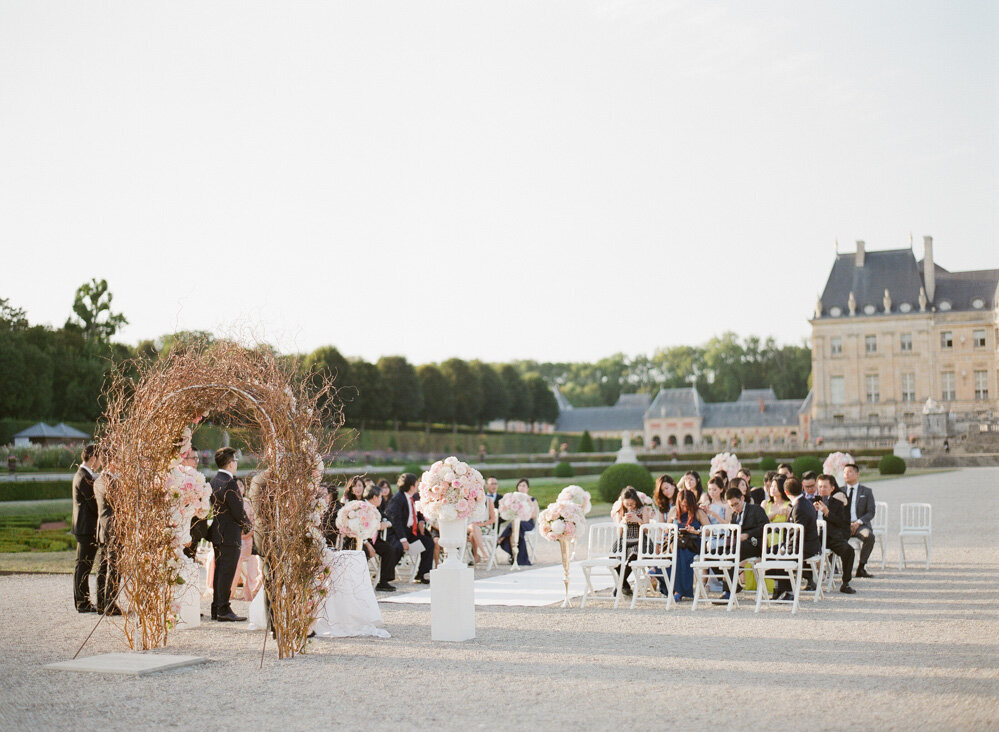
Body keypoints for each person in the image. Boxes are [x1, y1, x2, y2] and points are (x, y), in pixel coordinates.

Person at [209, 447, 252, 622]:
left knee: (220, 571)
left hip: (218, 531)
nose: (236, 464)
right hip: (230, 533)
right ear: (230, 463)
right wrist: (247, 525)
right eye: (235, 461)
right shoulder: (230, 482)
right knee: (227, 571)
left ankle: (217, 606)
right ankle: (223, 608)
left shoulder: (214, 480)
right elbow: (237, 510)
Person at [773, 477, 820, 601]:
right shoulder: (803, 502)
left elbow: (799, 534)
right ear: (802, 488)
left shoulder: (799, 507)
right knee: (768, 551)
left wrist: (784, 548)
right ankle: (781, 588)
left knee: (775, 555)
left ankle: (787, 590)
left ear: (786, 492)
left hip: (806, 546)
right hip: (800, 543)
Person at [385, 473, 433, 583]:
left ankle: (421, 574)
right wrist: (403, 540)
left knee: (428, 543)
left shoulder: (411, 498)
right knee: (398, 548)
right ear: (411, 486)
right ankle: (385, 576)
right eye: (416, 485)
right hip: (396, 534)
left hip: (410, 532)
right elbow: (396, 521)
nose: (417, 487)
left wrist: (420, 521)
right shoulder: (397, 499)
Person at [722, 487, 769, 598]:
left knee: (732, 553)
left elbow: (766, 527)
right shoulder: (734, 515)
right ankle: (732, 583)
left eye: (736, 504)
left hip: (755, 544)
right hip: (740, 545)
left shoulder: (756, 509)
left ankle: (727, 591)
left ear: (742, 498)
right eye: (731, 506)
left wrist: (748, 534)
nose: (734, 508)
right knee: (719, 552)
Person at [814, 473, 857, 594]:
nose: (822, 489)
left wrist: (827, 512)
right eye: (820, 486)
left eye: (825, 487)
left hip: (831, 537)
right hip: (814, 537)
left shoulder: (837, 503)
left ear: (832, 488)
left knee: (849, 551)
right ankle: (810, 580)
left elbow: (840, 522)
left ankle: (845, 583)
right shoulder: (810, 502)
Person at [71, 444, 101, 613]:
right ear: (92, 458)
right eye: (99, 458)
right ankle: (82, 602)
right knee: (83, 566)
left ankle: (82, 601)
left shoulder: (84, 475)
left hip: (84, 527)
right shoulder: (84, 477)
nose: (100, 462)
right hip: (86, 528)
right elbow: (93, 504)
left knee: (83, 565)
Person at [666, 489, 710, 603]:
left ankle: (678, 590)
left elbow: (709, 530)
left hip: (695, 542)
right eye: (682, 505)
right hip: (679, 541)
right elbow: (666, 529)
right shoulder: (674, 511)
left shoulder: (698, 512)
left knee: (680, 551)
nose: (684, 508)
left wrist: (696, 531)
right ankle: (676, 589)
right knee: (676, 550)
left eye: (687, 505)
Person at [611, 487, 654, 596]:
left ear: (636, 501)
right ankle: (624, 584)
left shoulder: (642, 509)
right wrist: (622, 522)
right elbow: (619, 534)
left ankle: (619, 585)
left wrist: (638, 520)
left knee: (632, 556)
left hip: (640, 539)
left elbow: (646, 529)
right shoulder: (621, 510)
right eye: (627, 504)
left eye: (632, 504)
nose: (630, 506)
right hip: (625, 539)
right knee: (614, 556)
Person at [92, 469, 122, 615]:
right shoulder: (108, 481)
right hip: (112, 529)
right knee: (113, 567)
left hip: (103, 527)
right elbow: (116, 503)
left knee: (103, 567)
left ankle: (102, 603)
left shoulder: (99, 480)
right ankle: (109, 603)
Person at [362, 486, 402, 592]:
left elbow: (388, 519)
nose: (381, 499)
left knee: (389, 549)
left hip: (374, 539)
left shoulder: (376, 508)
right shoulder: (362, 507)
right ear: (374, 497)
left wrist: (386, 523)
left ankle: (383, 582)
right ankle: (361, 582)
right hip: (361, 540)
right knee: (363, 553)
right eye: (380, 497)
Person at [842, 463, 877, 578]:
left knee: (869, 536)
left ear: (857, 474)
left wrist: (858, 522)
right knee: (831, 536)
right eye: (844, 472)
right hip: (844, 526)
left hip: (860, 525)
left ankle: (861, 567)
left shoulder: (866, 491)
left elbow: (871, 512)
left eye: (849, 472)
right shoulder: (839, 491)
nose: (846, 474)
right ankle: (836, 568)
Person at [230, 478, 260, 603]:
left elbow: (255, 521)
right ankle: (229, 592)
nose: (239, 489)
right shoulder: (231, 503)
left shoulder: (249, 503)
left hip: (250, 539)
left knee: (253, 561)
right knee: (235, 564)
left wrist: (250, 533)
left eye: (241, 486)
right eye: (236, 486)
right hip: (237, 539)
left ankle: (252, 592)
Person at [497, 478, 539, 567]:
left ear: (528, 488)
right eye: (520, 485)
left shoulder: (531, 499)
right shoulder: (514, 499)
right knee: (515, 528)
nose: (521, 487)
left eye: (524, 486)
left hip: (527, 522)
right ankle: (515, 556)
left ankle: (502, 538)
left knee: (516, 526)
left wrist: (523, 516)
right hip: (516, 522)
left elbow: (534, 515)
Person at [467, 489, 497, 564]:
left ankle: (476, 555)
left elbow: (493, 519)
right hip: (467, 527)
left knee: (472, 534)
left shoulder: (488, 500)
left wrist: (480, 524)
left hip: (483, 526)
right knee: (473, 527)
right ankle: (484, 552)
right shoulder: (467, 499)